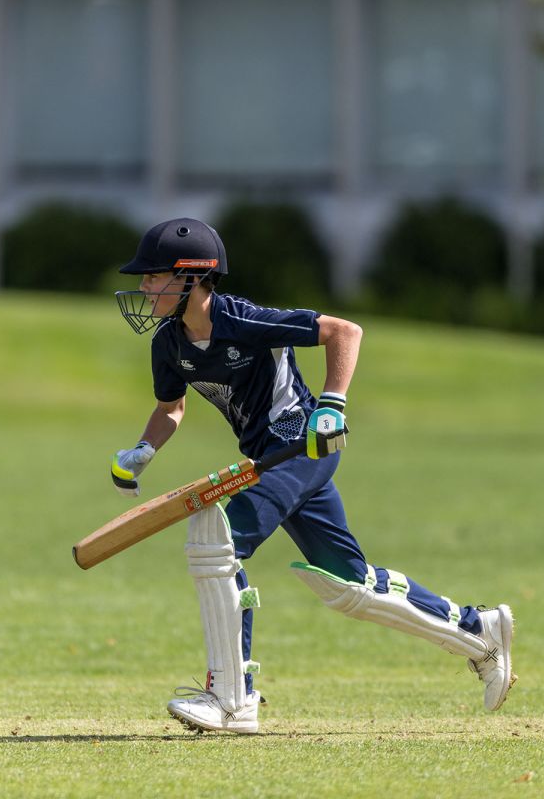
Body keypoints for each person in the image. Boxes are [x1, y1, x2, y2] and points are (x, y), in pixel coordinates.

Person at [110, 218, 516, 734]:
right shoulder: (169, 344)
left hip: (302, 446)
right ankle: (480, 632)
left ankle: (234, 701)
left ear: (192, 277)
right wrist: (144, 448)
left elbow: (344, 331)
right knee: (351, 585)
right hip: (268, 458)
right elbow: (171, 407)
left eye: (153, 277)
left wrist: (332, 405)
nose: (144, 287)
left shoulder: (246, 321)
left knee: (218, 543)